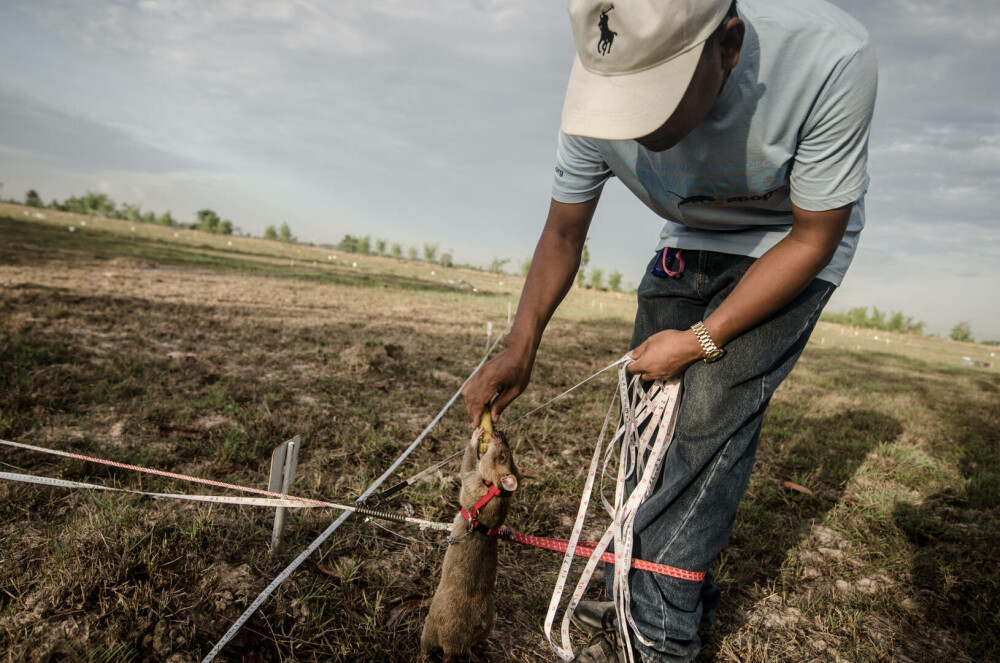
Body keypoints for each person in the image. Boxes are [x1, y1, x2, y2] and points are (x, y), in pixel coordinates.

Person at [461, 0, 877, 660]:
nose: (628, 123)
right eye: (621, 98)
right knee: (646, 423)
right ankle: (634, 588)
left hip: (789, 243)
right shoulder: (604, 69)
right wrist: (521, 340)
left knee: (709, 421)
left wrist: (701, 339)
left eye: (653, 99)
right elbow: (564, 230)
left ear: (728, 47)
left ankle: (659, 633)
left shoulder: (830, 57)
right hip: (688, 235)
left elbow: (814, 236)